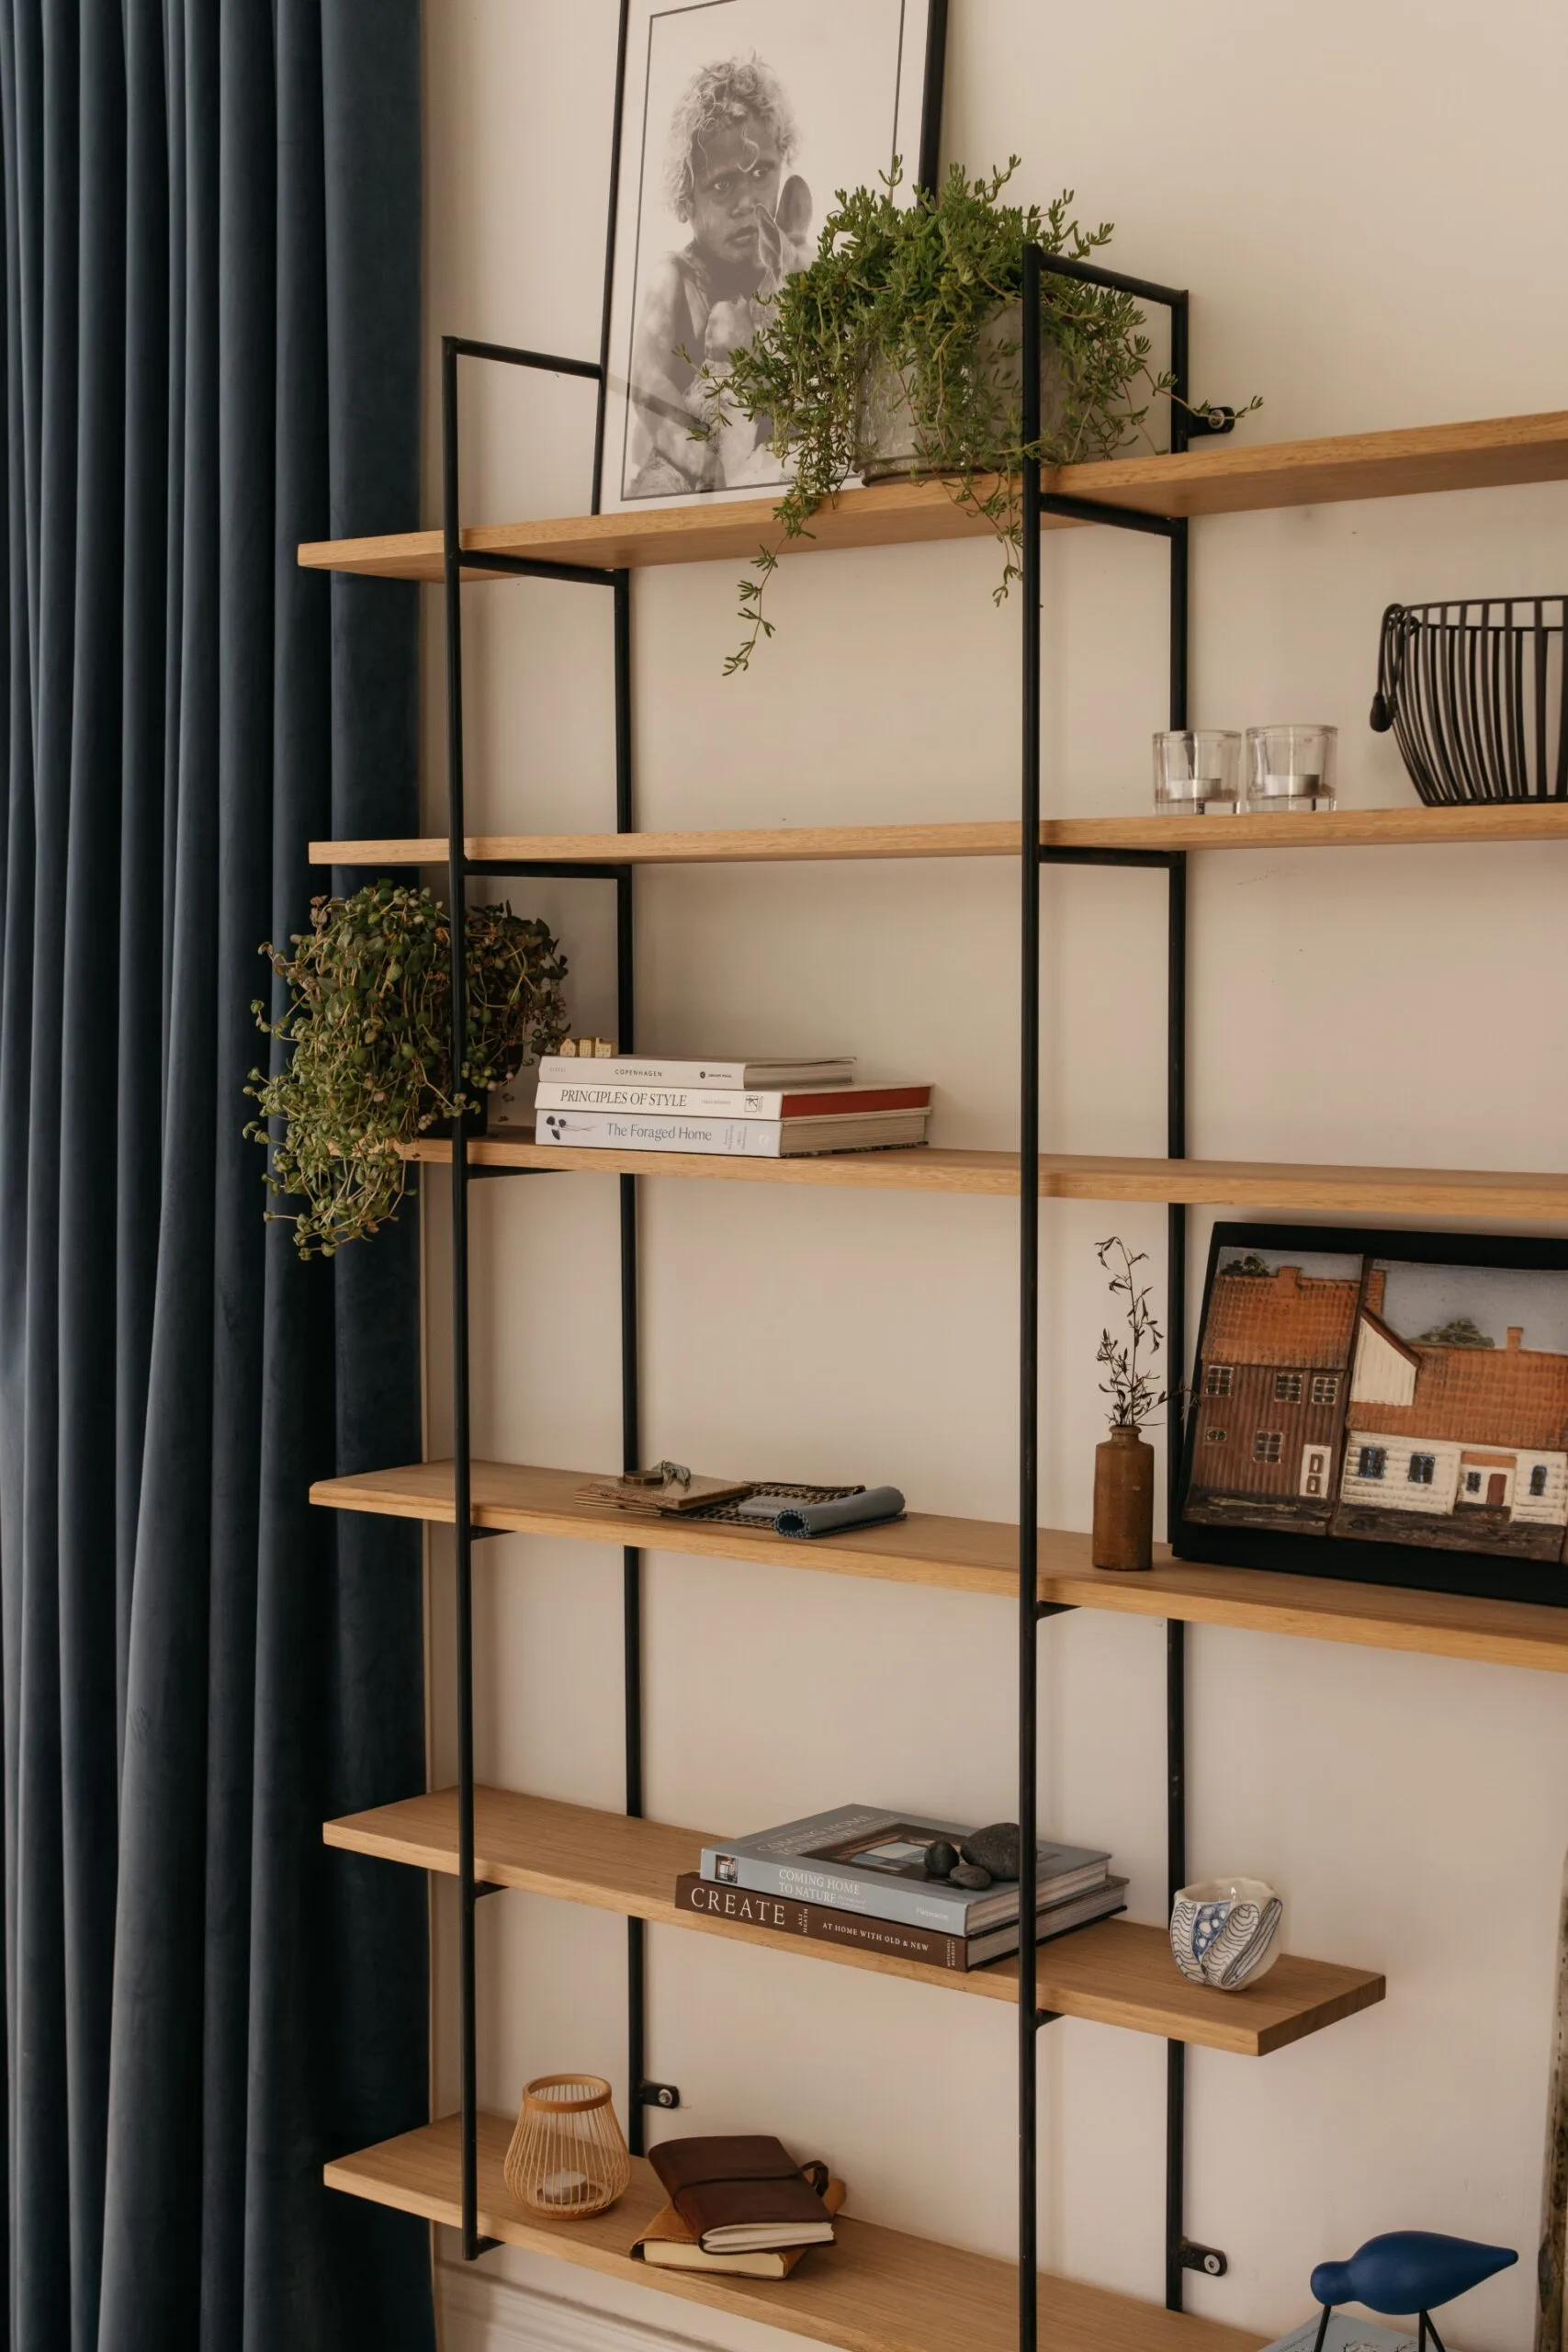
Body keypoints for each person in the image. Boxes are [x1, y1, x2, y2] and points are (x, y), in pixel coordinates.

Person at [626, 54, 812, 496]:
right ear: (686, 198)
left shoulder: (787, 276)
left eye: (762, 172)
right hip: (692, 484)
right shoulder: (674, 277)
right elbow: (646, 381)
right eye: (723, 184)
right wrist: (702, 459)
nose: (747, 202)